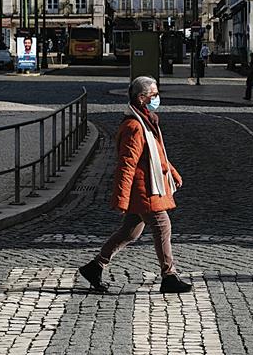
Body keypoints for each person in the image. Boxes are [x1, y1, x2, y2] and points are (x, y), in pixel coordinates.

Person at [79, 76, 192, 294]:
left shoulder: (146, 120)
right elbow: (126, 165)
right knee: (162, 226)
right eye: (154, 95)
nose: (157, 98)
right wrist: (121, 198)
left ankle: (95, 267)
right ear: (141, 98)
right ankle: (168, 275)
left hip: (149, 185)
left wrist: (173, 173)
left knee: (130, 232)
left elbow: (157, 156)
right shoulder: (134, 127)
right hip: (145, 189)